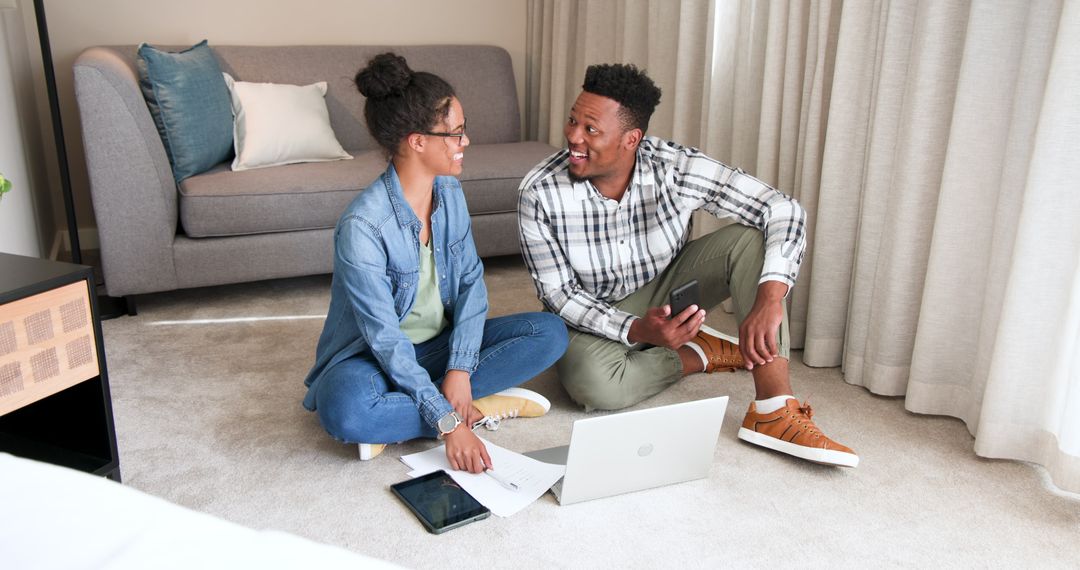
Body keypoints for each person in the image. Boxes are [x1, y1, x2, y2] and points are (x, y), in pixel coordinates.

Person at [518, 63, 857, 468]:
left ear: (632, 139)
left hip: (668, 287)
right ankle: (697, 354)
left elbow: (781, 207)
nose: (573, 136)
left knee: (749, 239)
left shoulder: (674, 166)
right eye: (573, 121)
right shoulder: (538, 192)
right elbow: (558, 293)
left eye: (591, 130)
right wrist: (636, 328)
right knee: (591, 384)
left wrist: (771, 296)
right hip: (594, 309)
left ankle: (773, 409)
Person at [304, 53, 568, 472]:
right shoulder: (363, 227)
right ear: (417, 141)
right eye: (456, 134)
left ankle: (398, 422)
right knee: (345, 410)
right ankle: (470, 410)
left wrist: (461, 367)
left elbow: (469, 282)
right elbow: (385, 339)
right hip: (374, 357)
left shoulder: (449, 192)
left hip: (437, 349)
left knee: (550, 333)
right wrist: (448, 424)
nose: (465, 143)